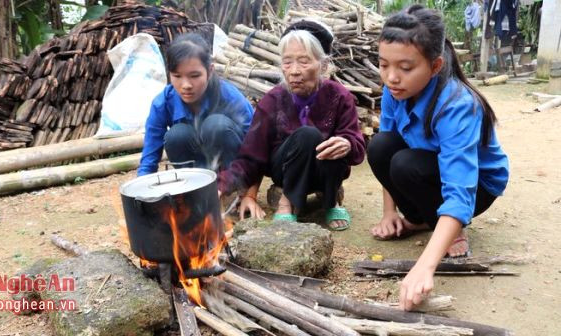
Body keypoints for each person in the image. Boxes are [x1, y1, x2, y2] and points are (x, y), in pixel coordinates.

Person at [367, 5, 509, 311]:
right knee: (380, 146)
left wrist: (424, 266)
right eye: (383, 65)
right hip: (425, 166)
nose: (391, 77)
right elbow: (389, 143)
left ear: (434, 66)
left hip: (478, 186)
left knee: (405, 164)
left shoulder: (457, 105)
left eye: (405, 68)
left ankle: (451, 229)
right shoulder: (394, 91)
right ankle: (420, 220)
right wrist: (388, 211)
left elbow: (461, 189)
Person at [218, 20, 365, 231]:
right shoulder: (273, 100)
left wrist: (347, 143)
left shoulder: (340, 96)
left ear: (323, 65)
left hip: (325, 172)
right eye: (287, 62)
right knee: (307, 135)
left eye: (304, 61)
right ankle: (287, 201)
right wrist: (221, 186)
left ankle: (330, 202)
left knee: (332, 145)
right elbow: (251, 156)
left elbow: (356, 143)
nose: (294, 71)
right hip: (285, 171)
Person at [137, 33, 254, 176]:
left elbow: (255, 143)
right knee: (176, 135)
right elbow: (149, 158)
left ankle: (229, 186)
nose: (186, 85)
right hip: (197, 170)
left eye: (194, 76)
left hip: (233, 170)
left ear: (210, 71)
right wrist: (140, 191)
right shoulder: (163, 103)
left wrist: (249, 191)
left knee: (215, 126)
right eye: (177, 76)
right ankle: (195, 186)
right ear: (169, 73)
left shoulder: (229, 97)